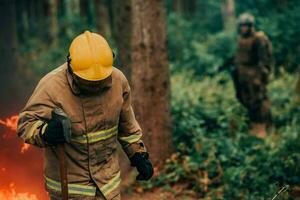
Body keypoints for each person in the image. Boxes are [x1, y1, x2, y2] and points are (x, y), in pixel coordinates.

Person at [17, 31, 153, 200]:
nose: (95, 86)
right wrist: (45, 132)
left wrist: (138, 154)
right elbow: (25, 124)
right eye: (89, 82)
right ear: (71, 67)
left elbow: (127, 126)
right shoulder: (51, 87)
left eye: (100, 81)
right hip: (71, 191)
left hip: (108, 187)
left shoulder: (118, 81)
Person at [234, 13, 273, 138]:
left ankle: (264, 127)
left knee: (259, 101)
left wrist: (262, 76)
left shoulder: (259, 38)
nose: (243, 28)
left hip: (255, 74)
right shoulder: (241, 39)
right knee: (245, 100)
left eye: (246, 26)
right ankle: (253, 126)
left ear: (251, 26)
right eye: (242, 26)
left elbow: (264, 59)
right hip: (243, 75)